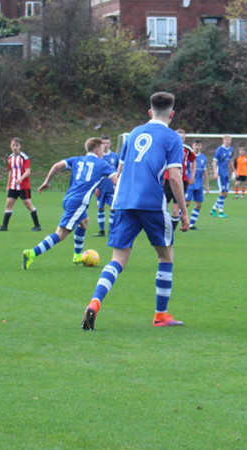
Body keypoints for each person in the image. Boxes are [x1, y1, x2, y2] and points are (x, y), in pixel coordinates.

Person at [81, 92, 189, 331]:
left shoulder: (133, 134)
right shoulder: (173, 138)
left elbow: (118, 174)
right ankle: (161, 315)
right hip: (151, 202)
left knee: (117, 260)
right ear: (171, 114)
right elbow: (174, 177)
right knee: (165, 256)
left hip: (123, 202)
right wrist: (183, 211)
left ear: (149, 112)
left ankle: (95, 302)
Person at [22, 138, 119, 270]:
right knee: (61, 234)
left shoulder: (77, 159)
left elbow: (57, 166)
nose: (103, 152)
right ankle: (32, 253)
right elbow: (116, 180)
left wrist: (47, 181)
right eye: (102, 149)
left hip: (68, 198)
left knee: (84, 222)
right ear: (97, 150)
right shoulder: (102, 164)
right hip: (79, 202)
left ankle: (77, 256)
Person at [0, 138, 42, 232]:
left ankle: (37, 225)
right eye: (13, 145)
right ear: (10, 146)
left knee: (28, 204)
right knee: (8, 204)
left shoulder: (24, 158)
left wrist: (21, 179)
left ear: (20, 146)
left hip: (23, 185)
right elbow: (10, 172)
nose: (15, 147)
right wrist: (8, 185)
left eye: (17, 145)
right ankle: (4, 226)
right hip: (13, 186)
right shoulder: (10, 158)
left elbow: (28, 171)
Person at [163, 129, 196, 231]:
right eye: (178, 137)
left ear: (184, 139)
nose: (180, 139)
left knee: (175, 209)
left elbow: (193, 161)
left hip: (182, 181)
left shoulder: (187, 149)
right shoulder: (168, 147)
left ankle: (171, 231)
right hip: (168, 180)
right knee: (163, 206)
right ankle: (162, 227)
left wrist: (192, 176)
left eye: (182, 138)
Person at [92, 134, 120, 237]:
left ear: (110, 144)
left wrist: (117, 184)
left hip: (111, 187)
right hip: (100, 187)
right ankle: (101, 230)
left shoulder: (114, 156)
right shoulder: (97, 157)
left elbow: (118, 170)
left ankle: (111, 230)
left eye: (107, 143)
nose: (105, 145)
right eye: (103, 143)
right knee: (100, 208)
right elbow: (94, 173)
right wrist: (94, 187)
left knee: (113, 208)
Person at [185, 139, 209, 230]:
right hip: (189, 183)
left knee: (199, 204)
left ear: (201, 146)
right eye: (196, 145)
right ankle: (177, 219)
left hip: (199, 185)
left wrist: (206, 185)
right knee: (186, 203)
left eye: (199, 145)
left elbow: (204, 172)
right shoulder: (188, 156)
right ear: (192, 145)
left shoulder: (203, 158)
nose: (197, 147)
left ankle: (191, 224)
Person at [210, 134, 234, 218]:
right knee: (222, 192)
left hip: (226, 173)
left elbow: (230, 161)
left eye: (229, 140)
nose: (228, 142)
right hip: (220, 173)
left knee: (225, 193)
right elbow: (214, 161)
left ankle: (213, 209)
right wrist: (215, 173)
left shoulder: (231, 149)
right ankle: (220, 212)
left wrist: (234, 171)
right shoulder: (219, 150)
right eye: (227, 140)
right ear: (223, 141)